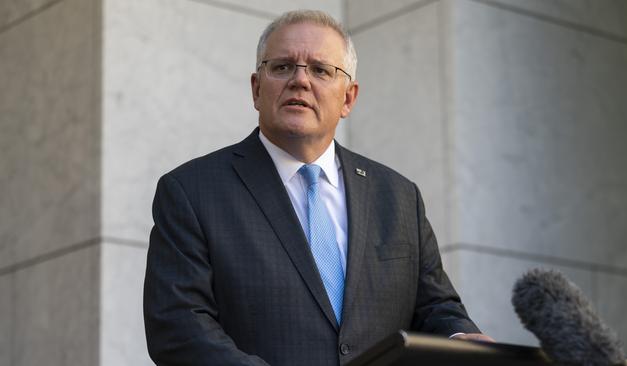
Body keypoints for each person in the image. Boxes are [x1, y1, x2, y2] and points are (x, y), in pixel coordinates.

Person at [143, 9, 493, 366]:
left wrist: (459, 338)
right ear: (256, 88)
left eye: (321, 70)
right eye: (281, 67)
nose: (300, 80)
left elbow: (435, 306)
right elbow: (179, 328)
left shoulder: (399, 197)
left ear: (348, 99)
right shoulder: (192, 191)